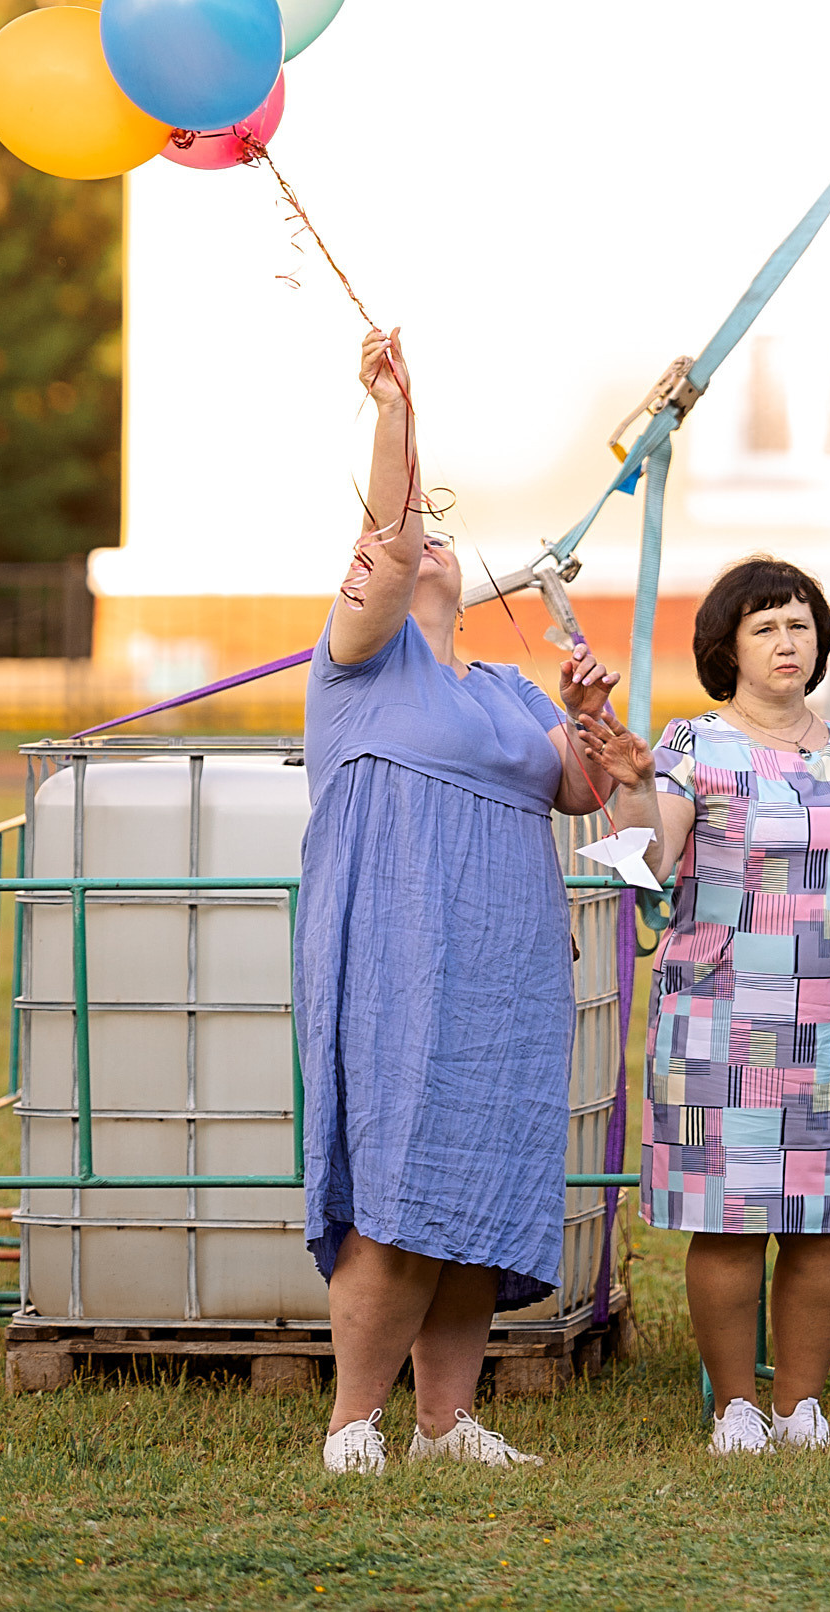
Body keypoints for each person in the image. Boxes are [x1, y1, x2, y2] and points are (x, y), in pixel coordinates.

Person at [297, 324, 651, 1478]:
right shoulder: (355, 660)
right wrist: (398, 411)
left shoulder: (500, 686)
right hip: (399, 939)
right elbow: (387, 543)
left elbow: (580, 787)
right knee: (400, 1183)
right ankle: (354, 1421)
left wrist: (591, 718)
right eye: (417, 537)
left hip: (507, 952)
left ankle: (446, 1420)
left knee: (481, 1181)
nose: (428, 544)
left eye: (443, 534)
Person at [595, 554, 830, 1457]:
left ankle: (802, 1408)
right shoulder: (693, 747)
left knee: (823, 1222)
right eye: (766, 625)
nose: (788, 640)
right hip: (717, 1018)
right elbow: (649, 865)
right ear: (728, 647)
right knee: (728, 1221)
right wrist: (628, 782)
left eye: (801, 623)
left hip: (826, 1023)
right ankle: (736, 1407)